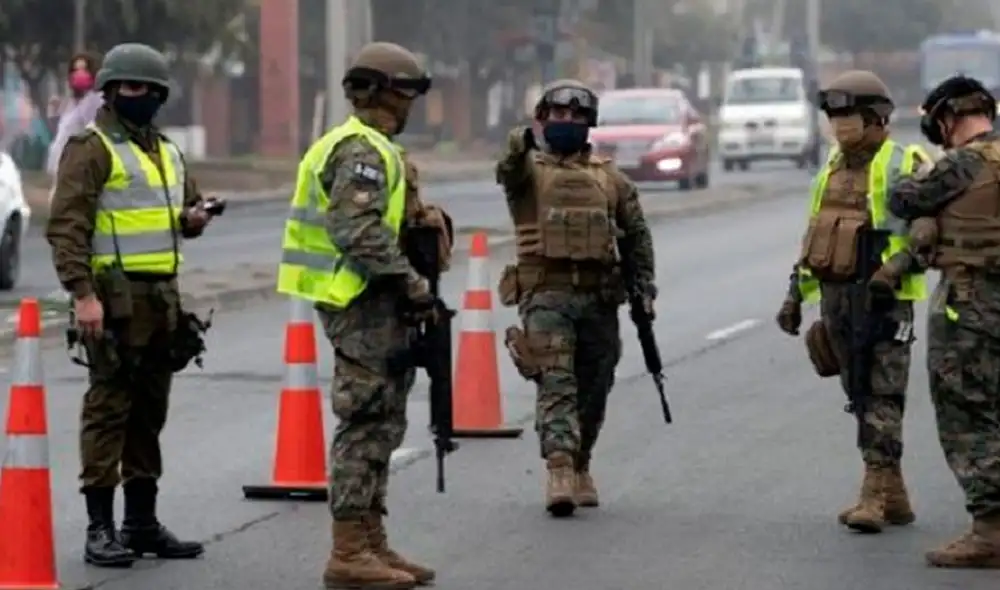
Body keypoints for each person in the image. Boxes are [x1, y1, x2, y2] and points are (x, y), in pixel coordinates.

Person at [276, 41, 451, 589]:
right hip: (359, 302)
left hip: (375, 302)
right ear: (380, 92)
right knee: (366, 423)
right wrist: (412, 282)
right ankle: (348, 552)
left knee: (385, 423)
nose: (410, 104)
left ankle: (372, 541)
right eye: (405, 92)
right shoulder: (361, 151)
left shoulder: (375, 147)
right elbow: (357, 231)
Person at [45, 42, 214, 568]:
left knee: (149, 414)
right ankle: (100, 528)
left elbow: (183, 208)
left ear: (159, 94)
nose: (130, 95)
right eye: (122, 87)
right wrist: (83, 296)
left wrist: (194, 218)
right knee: (107, 411)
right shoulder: (90, 148)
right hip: (113, 303)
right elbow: (66, 227)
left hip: (161, 301)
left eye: (141, 88)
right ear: (110, 92)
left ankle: (141, 522)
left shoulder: (167, 151)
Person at [775, 70, 929, 534]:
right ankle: (894, 494)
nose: (839, 125)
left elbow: (928, 231)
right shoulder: (831, 167)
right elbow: (816, 236)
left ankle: (874, 494)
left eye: (848, 115)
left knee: (882, 394)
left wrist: (893, 271)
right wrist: (794, 296)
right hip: (837, 299)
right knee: (859, 392)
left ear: (876, 117)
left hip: (884, 300)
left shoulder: (907, 161)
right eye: (834, 116)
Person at [495, 79, 656, 517]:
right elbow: (508, 164)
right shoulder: (527, 173)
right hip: (546, 295)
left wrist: (645, 289)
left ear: (590, 123)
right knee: (556, 382)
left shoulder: (611, 179)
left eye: (576, 116)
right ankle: (560, 469)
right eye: (558, 115)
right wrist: (521, 139)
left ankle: (582, 463)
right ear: (542, 120)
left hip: (599, 299)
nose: (567, 122)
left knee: (594, 386)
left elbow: (637, 238)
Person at [887, 74, 1000, 568]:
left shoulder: (962, 162)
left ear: (948, 119)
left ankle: (991, 531)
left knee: (969, 415)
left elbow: (902, 198)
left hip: (972, 305)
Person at [47, 51, 105, 178]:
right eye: (75, 70)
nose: (79, 74)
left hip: (78, 170)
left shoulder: (94, 101)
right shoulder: (71, 102)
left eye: (84, 69)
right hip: (63, 169)